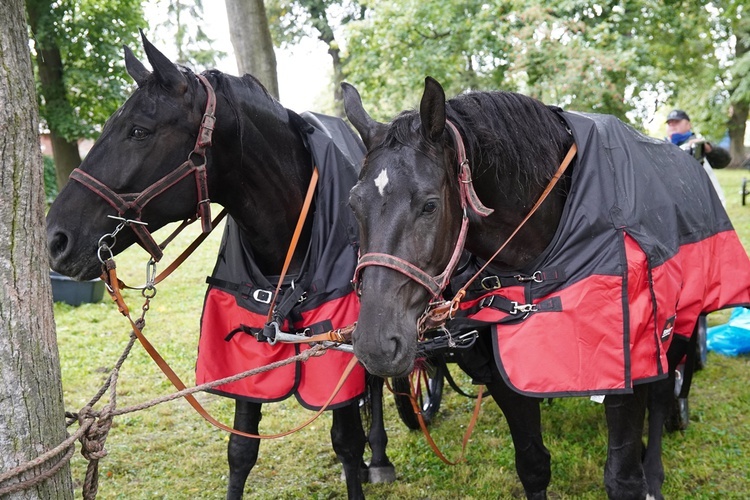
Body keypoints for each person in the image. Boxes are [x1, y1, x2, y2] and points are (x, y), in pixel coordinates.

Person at [666, 109, 731, 205]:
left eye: (677, 122)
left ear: (688, 125)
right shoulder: (664, 147)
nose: (672, 125)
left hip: (704, 201)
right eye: (669, 123)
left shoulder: (698, 144)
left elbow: (724, 160)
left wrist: (708, 148)